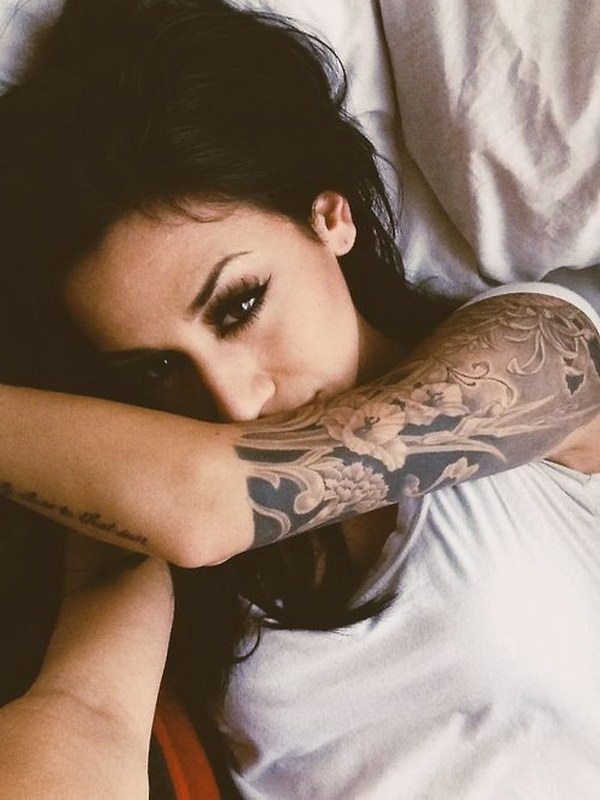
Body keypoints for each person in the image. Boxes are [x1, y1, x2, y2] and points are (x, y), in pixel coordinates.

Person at [0, 0, 598, 796]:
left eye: (240, 306)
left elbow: (211, 499)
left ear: (330, 215)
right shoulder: (138, 497)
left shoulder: (535, 351)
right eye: (155, 368)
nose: (233, 401)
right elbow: (83, 717)